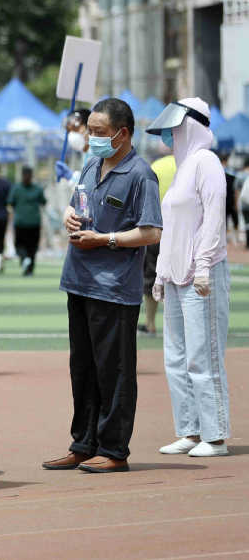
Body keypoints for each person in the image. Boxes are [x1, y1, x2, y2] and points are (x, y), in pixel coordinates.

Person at [44, 98, 162, 473]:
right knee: (82, 367)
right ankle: (83, 443)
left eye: (98, 132)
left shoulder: (141, 174)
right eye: (90, 131)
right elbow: (77, 202)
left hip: (114, 287)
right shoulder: (92, 163)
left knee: (114, 370)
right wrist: (69, 216)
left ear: (122, 134)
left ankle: (113, 449)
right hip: (78, 279)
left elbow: (151, 231)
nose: (91, 138)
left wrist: (106, 239)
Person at [147, 99, 232, 458]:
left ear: (191, 125)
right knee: (176, 357)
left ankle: (214, 436)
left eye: (175, 127)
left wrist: (202, 267)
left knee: (203, 356)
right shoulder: (182, 167)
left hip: (202, 272)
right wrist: (161, 273)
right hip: (176, 273)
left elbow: (213, 217)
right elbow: (173, 228)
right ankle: (189, 430)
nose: (169, 134)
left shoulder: (206, 162)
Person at [140, 146, 176, 337]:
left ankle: (150, 324)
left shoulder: (156, 166)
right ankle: (178, 326)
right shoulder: (189, 165)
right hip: (182, 232)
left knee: (151, 276)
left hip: (157, 229)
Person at [8, 166, 46, 276]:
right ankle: (29, 269)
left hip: (20, 222)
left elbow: (10, 202)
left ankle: (24, 258)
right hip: (34, 222)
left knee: (19, 245)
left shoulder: (16, 188)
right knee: (32, 247)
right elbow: (43, 202)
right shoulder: (38, 189)